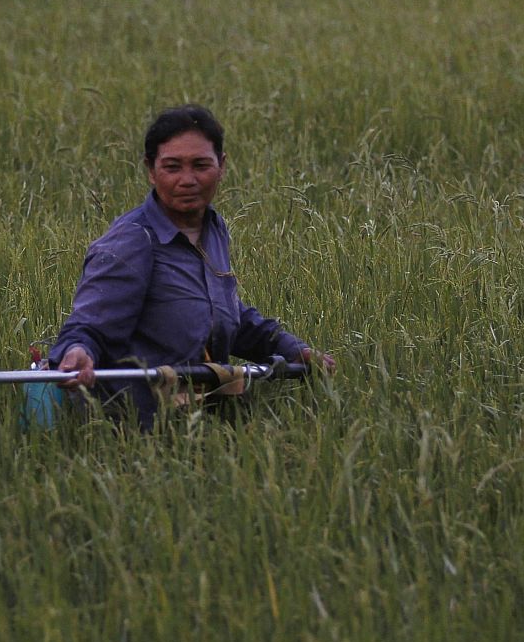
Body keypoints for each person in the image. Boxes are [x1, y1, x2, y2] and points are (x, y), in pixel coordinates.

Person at [49, 104, 334, 428]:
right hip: (135, 430)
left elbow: (222, 315)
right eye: (172, 167)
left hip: (202, 423)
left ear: (222, 166)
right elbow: (90, 324)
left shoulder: (214, 228)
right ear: (151, 170)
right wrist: (77, 351)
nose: (188, 180)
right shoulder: (132, 240)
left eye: (201, 165)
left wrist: (291, 349)